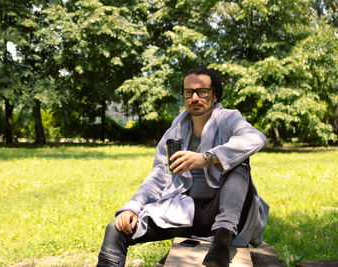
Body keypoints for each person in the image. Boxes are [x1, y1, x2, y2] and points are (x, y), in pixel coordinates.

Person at [97, 67, 269, 267]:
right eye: (188, 93)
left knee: (240, 164)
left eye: (202, 91)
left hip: (228, 216)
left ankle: (221, 245)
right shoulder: (176, 131)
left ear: (214, 96)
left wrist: (207, 158)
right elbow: (159, 175)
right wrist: (132, 208)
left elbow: (256, 138)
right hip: (188, 212)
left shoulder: (228, 119)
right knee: (115, 230)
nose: (194, 97)